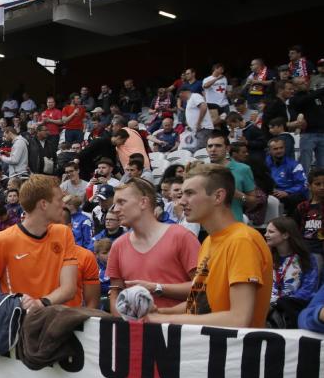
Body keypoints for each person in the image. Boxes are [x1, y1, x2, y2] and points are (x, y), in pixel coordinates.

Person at [148, 164, 272, 328]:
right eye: (182, 194)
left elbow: (239, 319)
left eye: (190, 193)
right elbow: (199, 305)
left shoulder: (242, 240)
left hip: (234, 350)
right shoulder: (208, 242)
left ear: (218, 196)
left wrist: (163, 320)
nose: (181, 201)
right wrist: (160, 313)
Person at [0, 174, 78, 311]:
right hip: (17, 324)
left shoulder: (64, 233)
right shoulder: (2, 240)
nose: (63, 204)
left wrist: (40, 303)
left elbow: (69, 288)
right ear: (43, 204)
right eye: (59, 200)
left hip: (54, 322)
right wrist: (12, 305)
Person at [106, 180, 200, 317]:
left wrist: (157, 288)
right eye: (115, 204)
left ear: (143, 202)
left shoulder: (181, 237)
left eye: (121, 202)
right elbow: (115, 292)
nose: (115, 209)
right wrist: (123, 321)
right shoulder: (118, 246)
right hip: (135, 332)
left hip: (177, 331)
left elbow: (204, 289)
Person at [264, 216, 319, 327]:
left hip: (291, 309)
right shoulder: (265, 256)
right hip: (265, 307)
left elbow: (308, 291)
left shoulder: (307, 259)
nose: (266, 235)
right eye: (266, 231)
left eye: (271, 232)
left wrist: (279, 303)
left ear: (285, 235)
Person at [205, 130, 256, 222]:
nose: (213, 149)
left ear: (227, 148)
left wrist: (240, 196)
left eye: (218, 146)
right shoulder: (201, 170)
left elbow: (253, 202)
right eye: (210, 146)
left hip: (233, 224)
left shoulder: (243, 169)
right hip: (206, 226)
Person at [265, 136, 308, 216]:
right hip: (271, 192)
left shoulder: (294, 164)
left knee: (295, 198)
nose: (279, 151)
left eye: (281, 148)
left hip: (289, 193)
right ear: (270, 150)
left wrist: (287, 192)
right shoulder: (264, 163)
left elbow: (303, 184)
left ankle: (291, 221)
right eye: (275, 149)